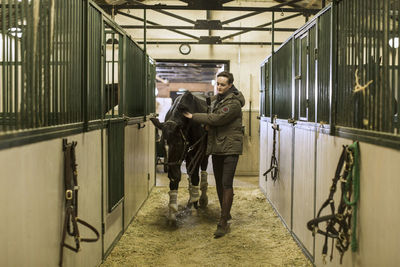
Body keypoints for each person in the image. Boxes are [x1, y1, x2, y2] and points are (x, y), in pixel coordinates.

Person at [183, 71, 245, 238]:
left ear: (230, 85)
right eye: (217, 84)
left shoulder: (233, 103)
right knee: (218, 183)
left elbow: (216, 119)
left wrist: (193, 116)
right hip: (218, 146)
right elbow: (213, 121)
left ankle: (223, 222)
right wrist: (208, 126)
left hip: (230, 148)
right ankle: (226, 213)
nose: (219, 87)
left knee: (226, 184)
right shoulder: (219, 100)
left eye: (223, 84)